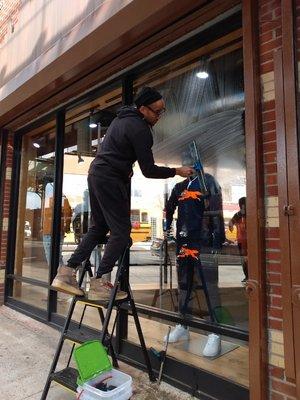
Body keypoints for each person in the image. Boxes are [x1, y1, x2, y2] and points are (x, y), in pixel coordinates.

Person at [52, 86, 195, 300]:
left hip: (96, 174)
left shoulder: (121, 119)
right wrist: (176, 171)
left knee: (99, 227)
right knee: (121, 232)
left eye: (162, 111)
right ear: (143, 109)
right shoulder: (140, 129)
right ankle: (100, 283)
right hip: (109, 178)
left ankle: (66, 273)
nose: (159, 116)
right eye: (157, 111)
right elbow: (149, 170)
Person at [163, 172, 224, 357]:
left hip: (203, 242)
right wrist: (167, 228)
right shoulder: (179, 187)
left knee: (209, 286)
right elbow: (169, 206)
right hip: (183, 241)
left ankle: (215, 332)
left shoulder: (208, 182)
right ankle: (183, 323)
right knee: (184, 284)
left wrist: (217, 240)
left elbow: (217, 211)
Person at [229, 196, 248, 283]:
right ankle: (247, 276)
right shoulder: (238, 215)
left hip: (245, 241)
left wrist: (231, 226)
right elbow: (230, 223)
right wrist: (231, 226)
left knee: (246, 259)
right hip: (242, 241)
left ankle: (248, 276)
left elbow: (230, 223)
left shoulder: (248, 214)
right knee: (244, 259)